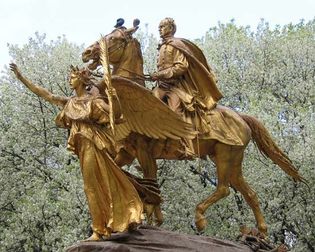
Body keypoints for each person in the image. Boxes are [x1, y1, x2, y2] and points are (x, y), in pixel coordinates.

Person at [9, 63, 160, 241]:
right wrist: (21, 77)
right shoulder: (71, 102)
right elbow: (46, 95)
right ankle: (104, 225)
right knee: (95, 187)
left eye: (72, 77)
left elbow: (116, 117)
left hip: (93, 146)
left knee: (91, 187)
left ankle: (99, 229)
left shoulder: (94, 101)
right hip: (84, 148)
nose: (69, 80)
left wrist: (115, 100)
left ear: (81, 79)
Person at [151, 18, 224, 155]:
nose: (159, 29)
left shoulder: (176, 45)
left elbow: (181, 66)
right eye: (159, 26)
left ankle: (186, 146)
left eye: (163, 26)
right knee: (149, 104)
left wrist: (161, 74)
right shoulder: (162, 46)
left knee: (174, 110)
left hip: (177, 86)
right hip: (162, 86)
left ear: (171, 28)